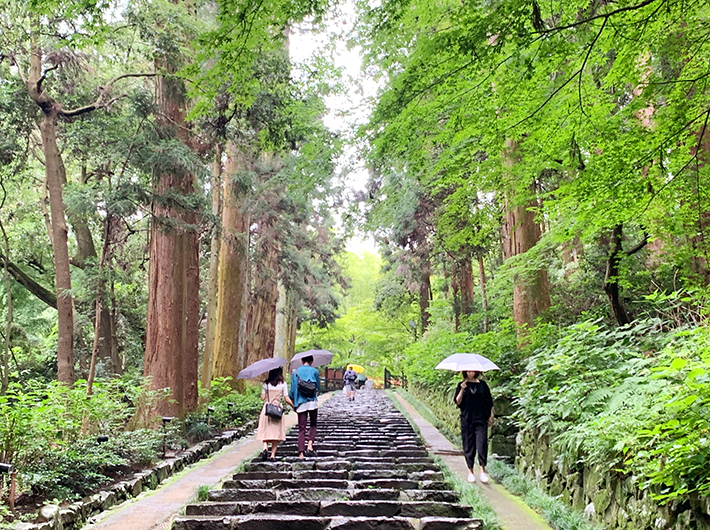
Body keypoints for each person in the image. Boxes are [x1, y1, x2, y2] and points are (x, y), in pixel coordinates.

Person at [454, 370, 494, 483]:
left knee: (482, 444)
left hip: (481, 419)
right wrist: (462, 389)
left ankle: (482, 471)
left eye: (472, 371)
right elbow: (458, 402)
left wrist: (491, 415)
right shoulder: (461, 385)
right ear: (465, 372)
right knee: (469, 445)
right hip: (467, 420)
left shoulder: (482, 385)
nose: (470, 373)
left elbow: (489, 401)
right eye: (468, 371)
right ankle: (470, 471)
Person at [257, 367, 294, 461]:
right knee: (276, 432)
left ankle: (265, 448)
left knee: (265, 429)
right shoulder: (283, 384)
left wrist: (265, 393)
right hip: (277, 408)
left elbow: (262, 397)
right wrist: (293, 406)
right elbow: (286, 398)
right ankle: (272, 455)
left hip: (267, 409)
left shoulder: (266, 383)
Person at [289, 355, 321, 459]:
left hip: (300, 402)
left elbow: (292, 391)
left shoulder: (295, 372)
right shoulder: (315, 371)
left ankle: (301, 454)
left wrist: (294, 403)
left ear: (302, 361)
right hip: (312, 401)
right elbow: (318, 388)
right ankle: (310, 445)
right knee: (313, 424)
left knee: (301, 428)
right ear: (312, 361)